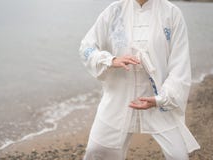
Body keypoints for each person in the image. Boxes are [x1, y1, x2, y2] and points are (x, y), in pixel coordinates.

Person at [78, 0, 200, 159]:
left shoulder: (171, 13)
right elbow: (86, 47)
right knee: (97, 151)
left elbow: (179, 66)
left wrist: (161, 99)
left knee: (178, 155)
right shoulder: (114, 11)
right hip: (119, 99)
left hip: (158, 99)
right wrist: (110, 60)